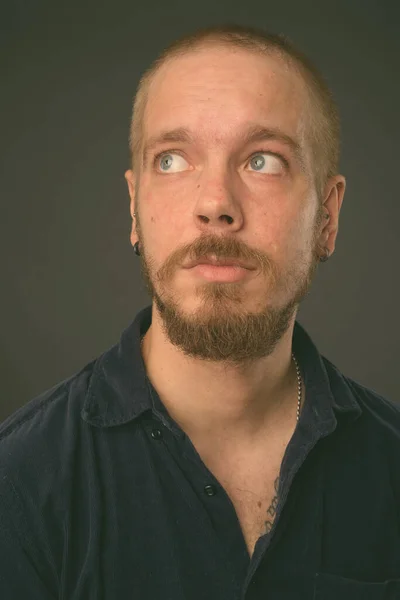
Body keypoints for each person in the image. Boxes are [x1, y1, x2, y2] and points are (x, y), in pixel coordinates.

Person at [0, 24, 399, 600]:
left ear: (328, 217)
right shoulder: (18, 488)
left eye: (262, 160)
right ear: (134, 207)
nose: (216, 204)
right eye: (172, 160)